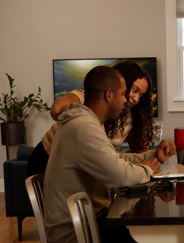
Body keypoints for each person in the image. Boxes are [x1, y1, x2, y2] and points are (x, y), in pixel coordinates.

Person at [42, 65, 175, 243]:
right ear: (109, 95)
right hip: (75, 230)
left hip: (83, 221)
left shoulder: (87, 122)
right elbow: (118, 175)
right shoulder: (83, 128)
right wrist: (148, 170)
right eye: (125, 94)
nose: (128, 101)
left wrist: (150, 157)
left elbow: (114, 162)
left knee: (156, 241)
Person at [27, 60, 156, 177]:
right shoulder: (92, 99)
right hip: (48, 158)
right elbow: (56, 110)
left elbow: (137, 149)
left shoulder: (129, 116)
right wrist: (85, 116)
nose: (136, 98)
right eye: (134, 90)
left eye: (141, 95)